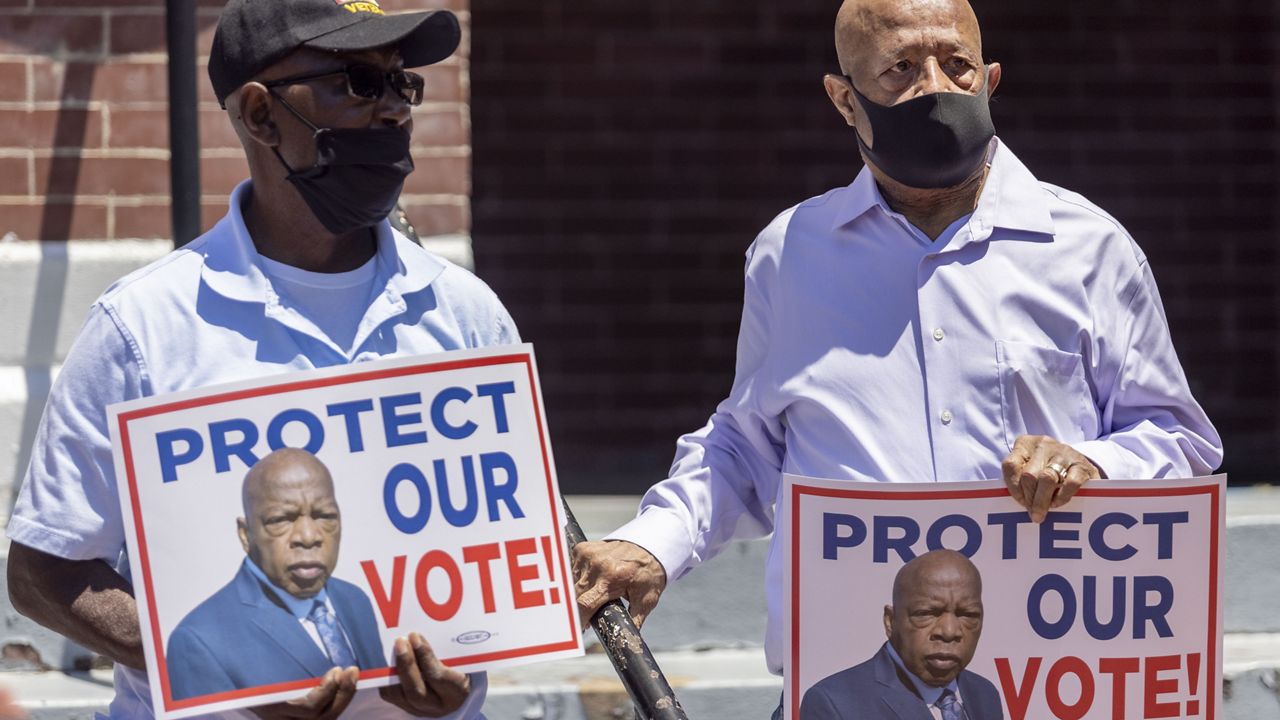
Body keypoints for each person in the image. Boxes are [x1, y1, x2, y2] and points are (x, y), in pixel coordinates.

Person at [572, 0, 1223, 709]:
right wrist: (654, 543)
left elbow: (1179, 440)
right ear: (844, 100)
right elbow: (745, 446)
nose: (934, 88)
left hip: (1044, 683)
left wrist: (1093, 464)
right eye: (901, 70)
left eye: (957, 65)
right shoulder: (791, 256)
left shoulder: (1090, 249)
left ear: (991, 80)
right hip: (847, 688)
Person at [6, 0, 514, 716]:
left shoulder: (466, 314)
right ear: (260, 114)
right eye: (357, 83)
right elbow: (42, 574)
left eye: (402, 84)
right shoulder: (144, 327)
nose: (394, 109)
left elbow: (500, 558)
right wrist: (217, 666)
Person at [167, 449, 386, 701]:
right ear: (245, 534)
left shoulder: (353, 600)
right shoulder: (199, 640)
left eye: (325, 516)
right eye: (281, 519)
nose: (308, 536)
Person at [799, 550, 1000, 720]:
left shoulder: (984, 694)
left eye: (968, 615)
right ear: (890, 621)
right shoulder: (835, 704)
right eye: (927, 613)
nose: (949, 631)